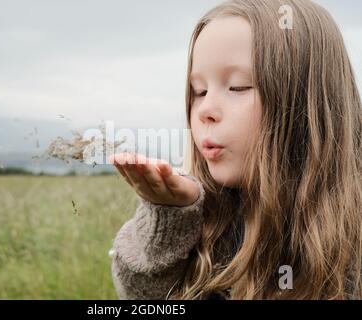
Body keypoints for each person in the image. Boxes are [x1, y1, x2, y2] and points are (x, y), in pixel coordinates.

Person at [109, 0, 362, 299]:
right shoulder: (205, 217)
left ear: (307, 105)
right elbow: (140, 296)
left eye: (238, 86)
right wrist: (170, 220)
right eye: (199, 91)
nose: (205, 110)